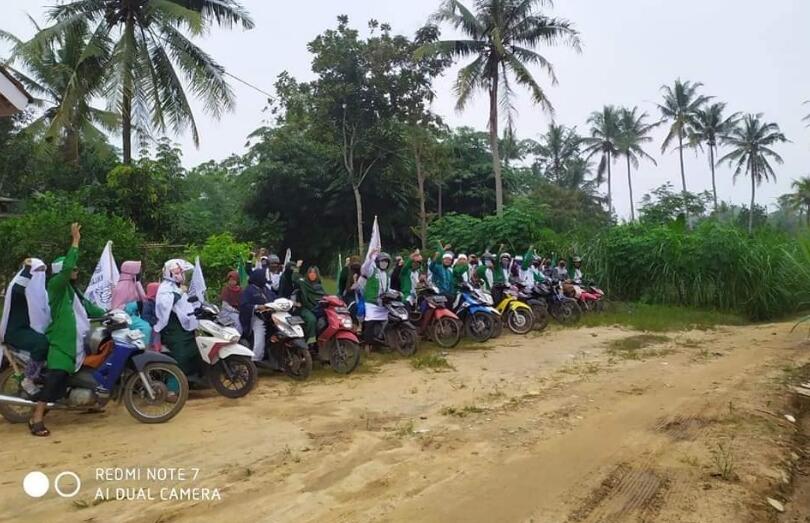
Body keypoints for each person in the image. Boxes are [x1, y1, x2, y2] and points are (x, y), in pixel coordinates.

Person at [29, 223, 106, 437]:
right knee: (56, 377)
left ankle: (90, 401)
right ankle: (36, 416)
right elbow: (67, 266)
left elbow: (89, 307)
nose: (76, 270)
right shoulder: (56, 286)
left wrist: (111, 312)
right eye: (72, 268)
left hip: (76, 343)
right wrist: (75, 241)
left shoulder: (73, 291)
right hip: (61, 343)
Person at [0, 257, 50, 394]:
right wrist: (27, 270)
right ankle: (29, 378)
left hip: (28, 329)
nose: (41, 273)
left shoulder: (41, 292)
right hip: (14, 331)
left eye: (43, 270)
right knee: (41, 343)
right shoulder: (18, 287)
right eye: (38, 270)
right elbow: (18, 291)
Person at [154, 259, 199, 378]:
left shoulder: (177, 286)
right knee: (181, 354)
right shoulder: (165, 288)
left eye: (182, 272)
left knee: (195, 348)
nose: (182, 275)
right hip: (172, 328)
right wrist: (178, 293)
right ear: (170, 273)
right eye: (178, 272)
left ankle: (192, 378)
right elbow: (164, 304)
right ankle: (174, 385)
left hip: (184, 325)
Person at [110, 261, 151, 345]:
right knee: (146, 328)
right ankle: (141, 351)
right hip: (125, 317)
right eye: (137, 270)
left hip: (134, 315)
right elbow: (116, 308)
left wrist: (138, 283)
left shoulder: (133, 284)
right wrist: (134, 305)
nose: (140, 272)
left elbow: (143, 299)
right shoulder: (121, 287)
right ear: (131, 272)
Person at [289, 261, 326, 345]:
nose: (312, 274)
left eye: (314, 272)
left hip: (317, 308)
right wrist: (297, 267)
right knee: (311, 319)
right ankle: (309, 343)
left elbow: (323, 297)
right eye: (310, 272)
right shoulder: (303, 282)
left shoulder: (319, 286)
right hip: (304, 308)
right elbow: (294, 278)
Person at [360, 251, 392, 343]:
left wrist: (397, 293)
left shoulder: (387, 275)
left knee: (388, 321)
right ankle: (368, 344)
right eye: (382, 261)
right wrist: (370, 258)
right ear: (378, 262)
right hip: (371, 303)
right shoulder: (372, 271)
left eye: (386, 262)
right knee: (370, 322)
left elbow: (388, 289)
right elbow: (364, 268)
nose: (384, 263)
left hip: (382, 303)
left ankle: (381, 338)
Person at [239, 268, 270, 361]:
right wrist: (257, 307)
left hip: (270, 316)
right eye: (263, 277)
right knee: (260, 332)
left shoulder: (265, 289)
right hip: (256, 317)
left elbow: (275, 298)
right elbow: (244, 306)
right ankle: (256, 358)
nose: (264, 279)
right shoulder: (249, 290)